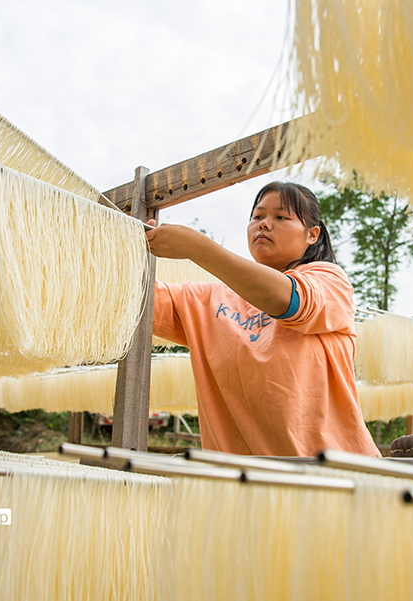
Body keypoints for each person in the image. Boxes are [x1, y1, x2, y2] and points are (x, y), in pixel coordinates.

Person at [146, 181, 380, 457]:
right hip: (246, 489)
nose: (264, 224)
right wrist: (122, 243)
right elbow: (134, 296)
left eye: (281, 217)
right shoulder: (208, 300)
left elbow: (289, 302)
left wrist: (199, 248)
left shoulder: (329, 281)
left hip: (335, 480)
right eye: (257, 216)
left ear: (312, 234)